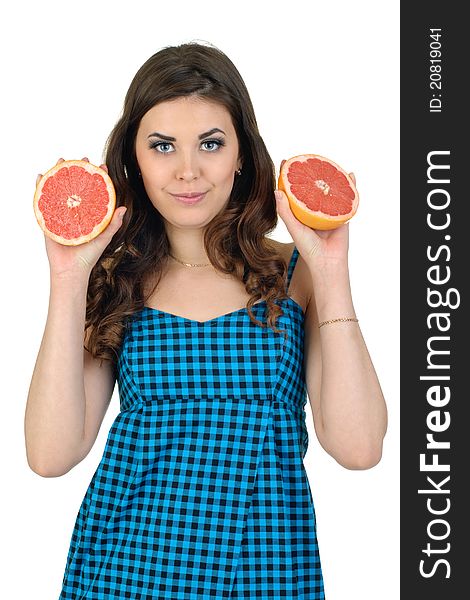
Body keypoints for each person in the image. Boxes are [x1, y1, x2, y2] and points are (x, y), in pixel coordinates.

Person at [25, 41, 387, 599]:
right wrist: (69, 279)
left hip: (266, 571)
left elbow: (358, 447)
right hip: (125, 572)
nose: (188, 171)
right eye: (163, 146)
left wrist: (331, 269)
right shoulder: (116, 282)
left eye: (211, 144)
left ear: (241, 153)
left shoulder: (296, 275)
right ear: (134, 160)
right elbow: (50, 456)